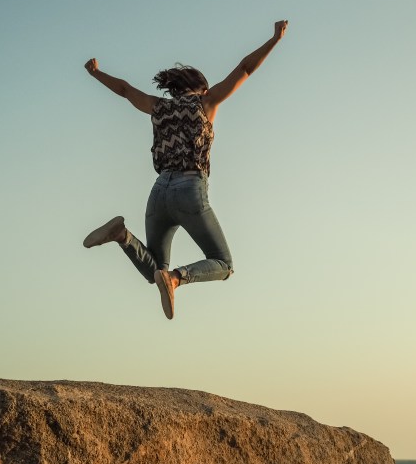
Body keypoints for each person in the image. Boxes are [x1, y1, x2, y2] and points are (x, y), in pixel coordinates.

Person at [83, 20, 289, 319]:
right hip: (189, 190)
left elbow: (126, 90)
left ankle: (122, 235)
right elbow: (245, 68)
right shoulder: (206, 102)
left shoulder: (158, 106)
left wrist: (95, 72)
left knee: (154, 270)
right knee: (223, 263)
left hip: (158, 194)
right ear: (201, 87)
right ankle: (178, 278)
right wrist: (275, 39)